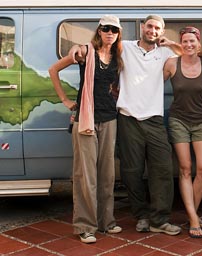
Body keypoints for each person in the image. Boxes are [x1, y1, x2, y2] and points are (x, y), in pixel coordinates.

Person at [48, 15, 123, 243]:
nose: (110, 32)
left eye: (114, 30)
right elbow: (53, 70)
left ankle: (106, 221)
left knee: (107, 174)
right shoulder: (84, 52)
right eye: (106, 29)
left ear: (118, 34)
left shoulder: (118, 56)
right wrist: (64, 100)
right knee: (85, 176)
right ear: (99, 31)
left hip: (109, 119)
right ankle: (85, 226)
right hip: (86, 119)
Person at [115, 15, 183, 236]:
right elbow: (101, 46)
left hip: (154, 119)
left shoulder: (165, 53)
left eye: (158, 28)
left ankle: (159, 219)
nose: (152, 31)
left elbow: (188, 54)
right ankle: (141, 216)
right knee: (131, 172)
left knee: (162, 170)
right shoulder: (124, 47)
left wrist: (171, 43)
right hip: (128, 118)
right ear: (142, 27)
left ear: (161, 32)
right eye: (150, 26)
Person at [163, 27, 202, 238]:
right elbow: (151, 85)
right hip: (178, 120)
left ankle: (191, 213)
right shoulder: (171, 64)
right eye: (184, 41)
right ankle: (193, 218)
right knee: (185, 169)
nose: (188, 45)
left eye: (192, 41)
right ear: (181, 43)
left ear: (198, 43)